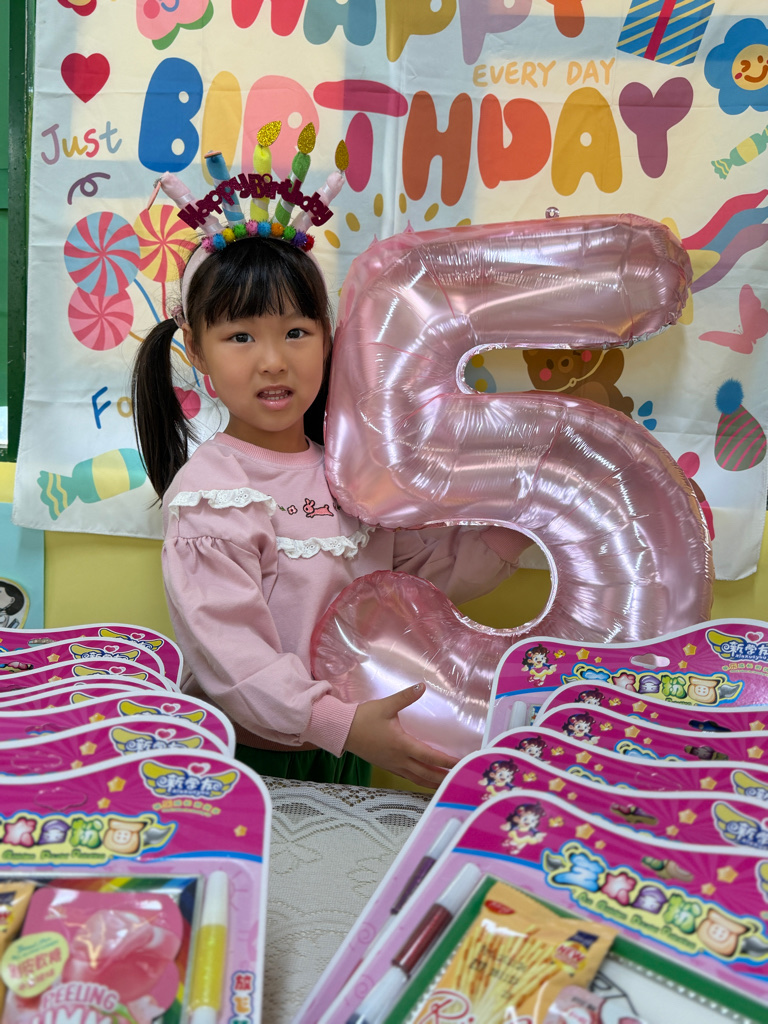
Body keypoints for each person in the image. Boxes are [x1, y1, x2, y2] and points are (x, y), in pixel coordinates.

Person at [132, 226, 528, 788]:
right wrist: (334, 721)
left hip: (351, 742)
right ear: (196, 349)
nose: (273, 361)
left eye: (296, 332)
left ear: (326, 338)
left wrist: (520, 527)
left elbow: (412, 582)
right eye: (241, 337)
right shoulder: (213, 494)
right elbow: (231, 655)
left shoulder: (353, 472)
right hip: (256, 756)